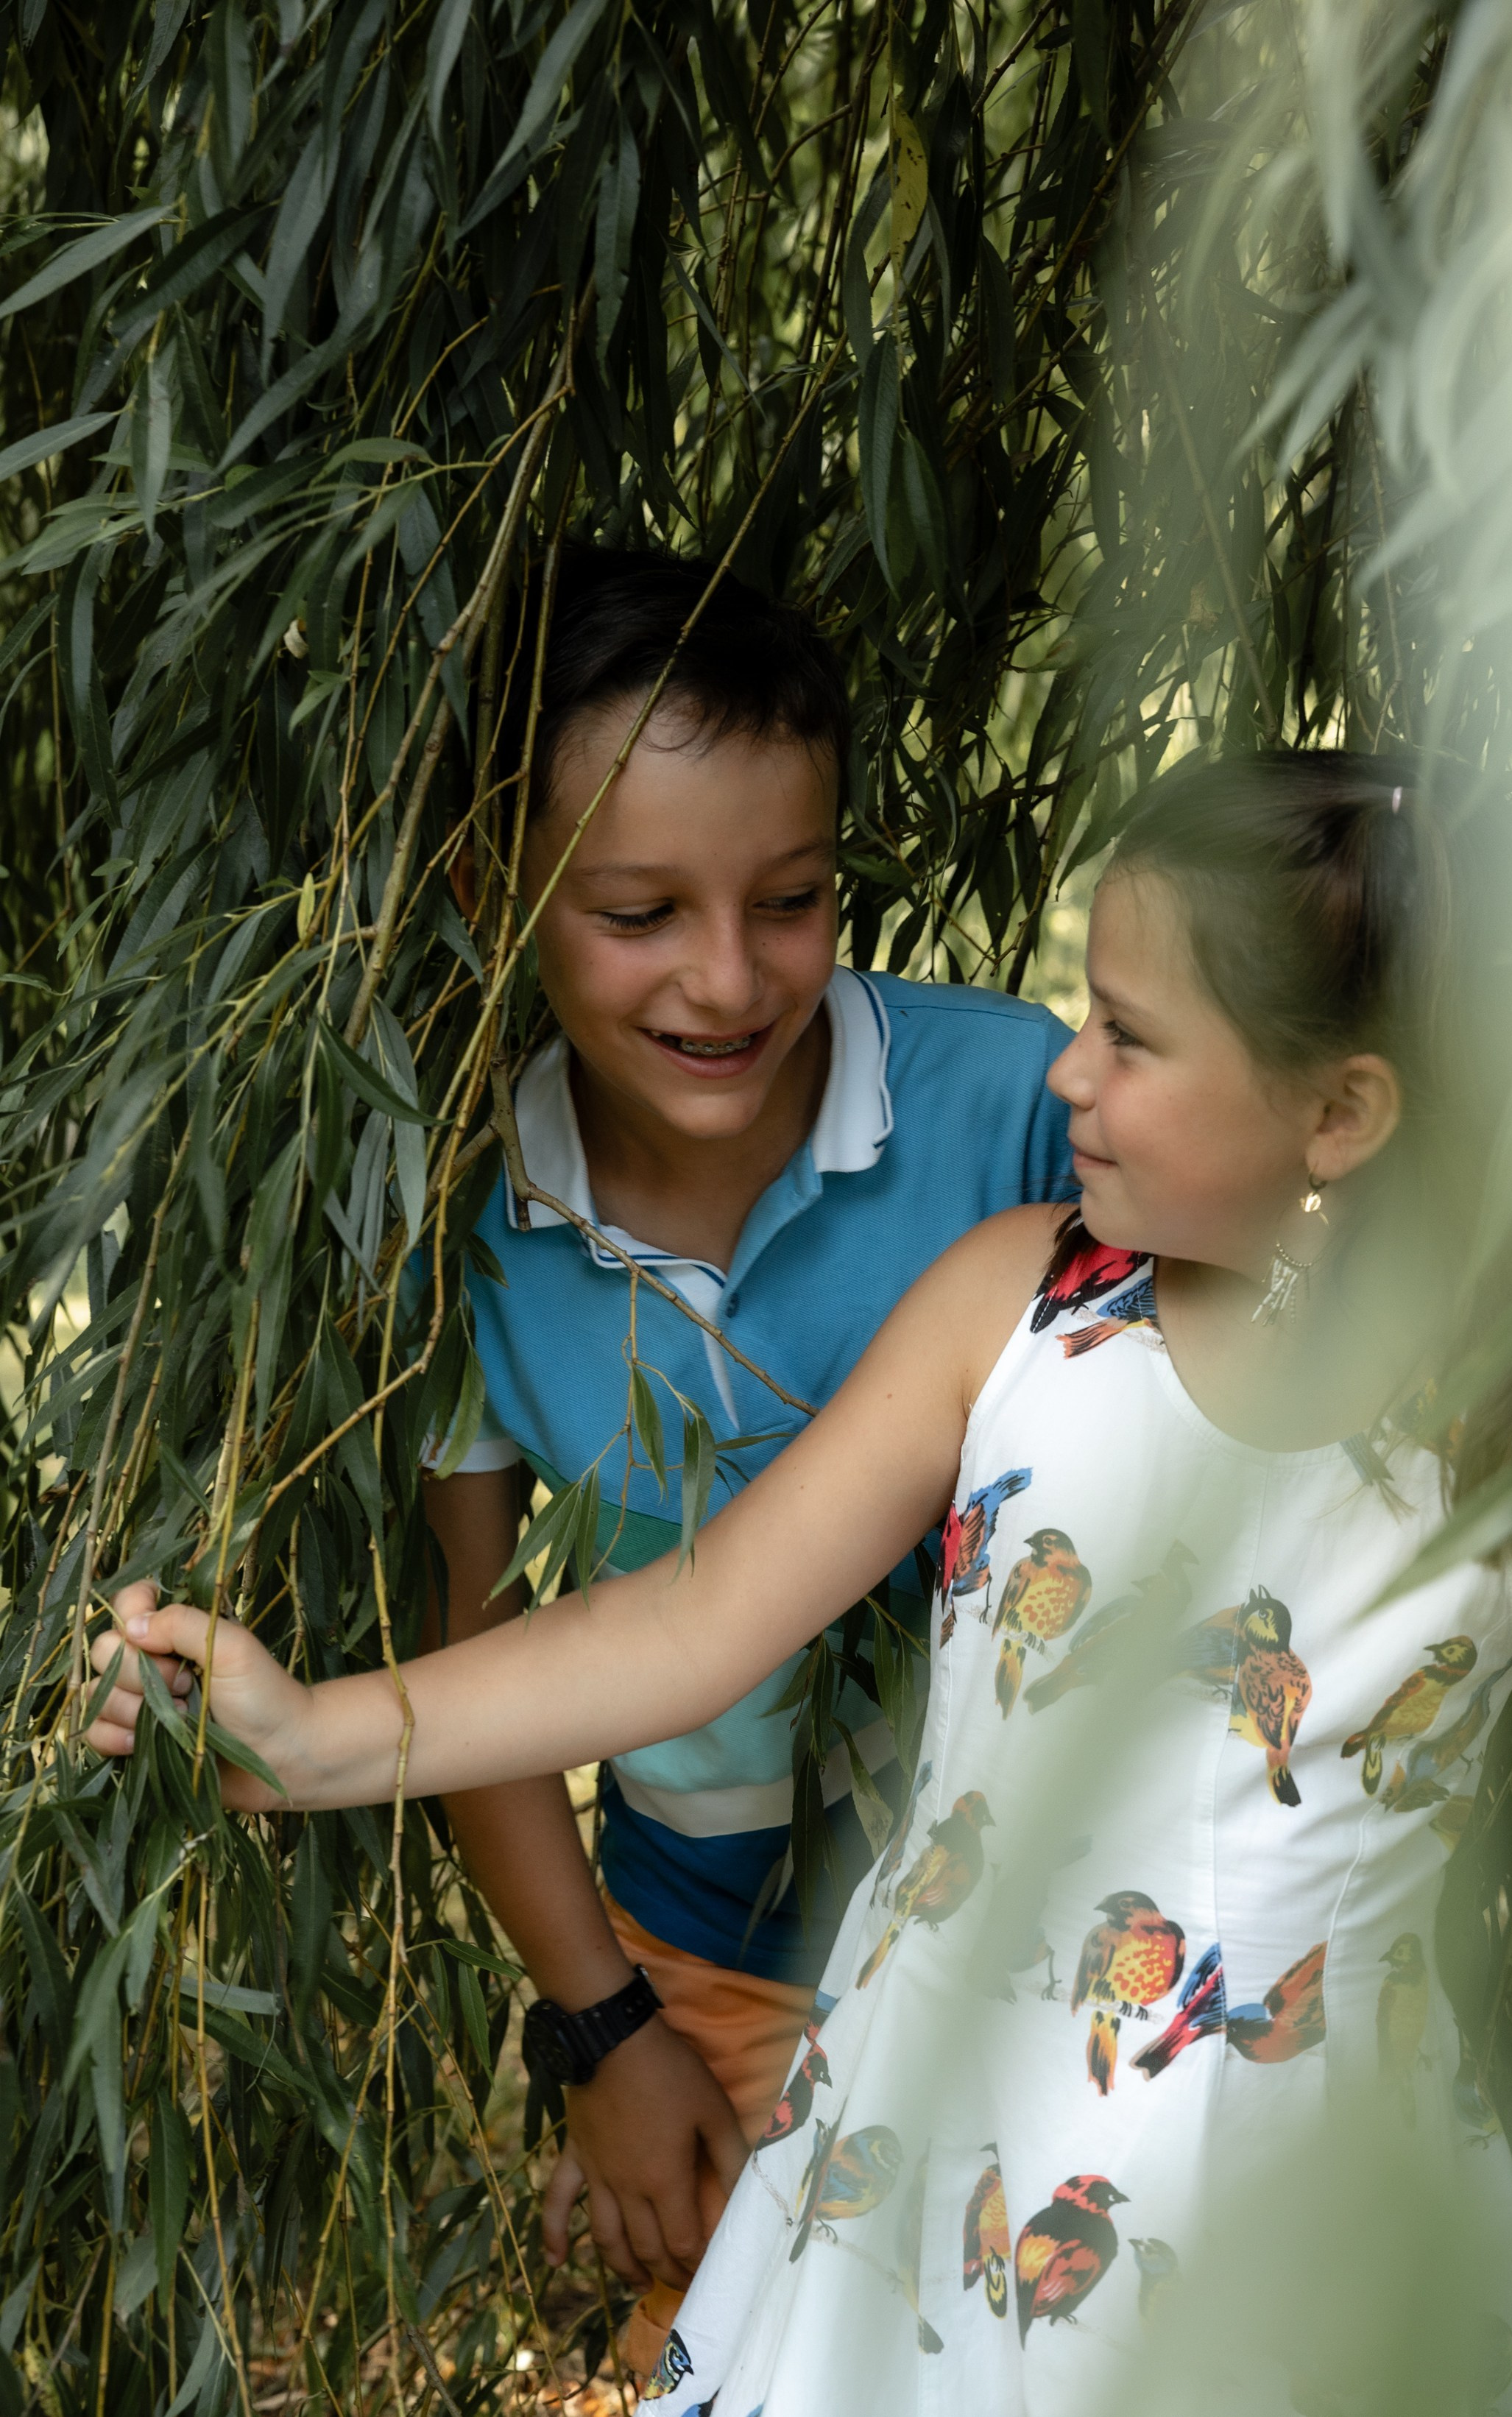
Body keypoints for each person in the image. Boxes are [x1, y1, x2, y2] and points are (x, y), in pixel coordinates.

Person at [92, 752, 1512, 2414]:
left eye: (1134, 1038)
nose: (1068, 1071)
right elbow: (683, 1619)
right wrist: (311, 1737)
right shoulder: (1018, 1306)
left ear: (1341, 1112)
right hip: (945, 2156)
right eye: (1089, 1012)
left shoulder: (1508, 1425)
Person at [414, 545, 1077, 2371]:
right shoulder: (459, 1221)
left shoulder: (1017, 1108)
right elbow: (466, 1643)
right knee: (741, 2347)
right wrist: (604, 2031)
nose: (728, 977)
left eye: (790, 899)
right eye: (639, 913)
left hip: (1033, 1904)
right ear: (495, 892)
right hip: (701, 1940)